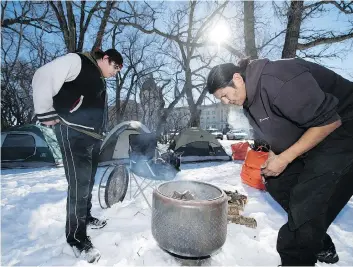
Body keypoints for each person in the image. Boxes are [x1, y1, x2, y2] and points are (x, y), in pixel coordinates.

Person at [205, 58, 353, 266]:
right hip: (316, 132)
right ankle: (317, 241)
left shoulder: (277, 79)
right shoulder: (249, 101)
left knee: (307, 200)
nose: (227, 103)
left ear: (237, 79)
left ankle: (296, 257)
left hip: (343, 127)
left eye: (225, 96)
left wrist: (285, 158)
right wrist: (275, 156)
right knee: (278, 181)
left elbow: (329, 121)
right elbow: (275, 132)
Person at [32, 48, 123, 263]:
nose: (116, 73)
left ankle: (85, 216)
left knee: (88, 181)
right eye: (115, 67)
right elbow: (43, 75)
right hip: (71, 132)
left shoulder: (98, 78)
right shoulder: (78, 62)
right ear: (106, 58)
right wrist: (45, 112)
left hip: (90, 137)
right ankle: (76, 238)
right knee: (78, 184)